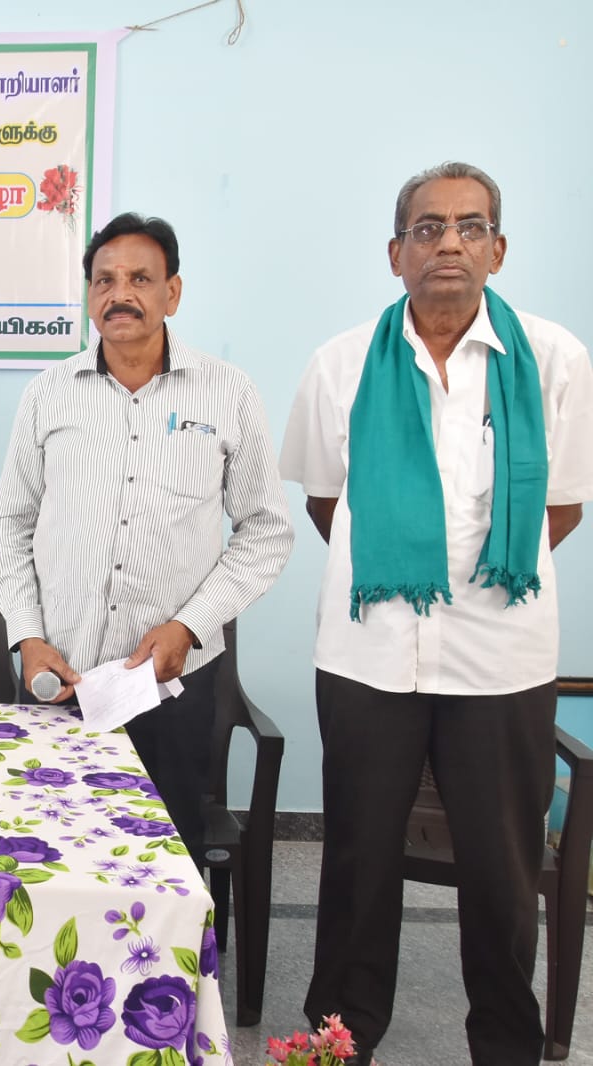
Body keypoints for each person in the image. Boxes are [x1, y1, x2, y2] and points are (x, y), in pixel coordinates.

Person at [281, 162, 593, 1066]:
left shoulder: (554, 360)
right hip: (368, 656)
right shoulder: (340, 365)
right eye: (427, 228)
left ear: (498, 247)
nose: (448, 242)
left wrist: (479, 581)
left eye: (469, 225)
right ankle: (341, 1039)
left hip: (503, 659)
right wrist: (401, 565)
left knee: (503, 872)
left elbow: (561, 508)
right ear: (396, 254)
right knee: (357, 860)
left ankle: (504, 1044)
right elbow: (327, 502)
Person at [0, 212, 292, 859]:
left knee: (164, 861)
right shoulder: (47, 394)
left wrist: (190, 626)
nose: (119, 294)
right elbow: (10, 526)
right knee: (46, 856)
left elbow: (266, 531)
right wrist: (27, 637)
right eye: (104, 280)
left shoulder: (228, 393)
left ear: (172, 293)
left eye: (140, 279)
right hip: (58, 677)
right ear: (89, 294)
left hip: (170, 687)